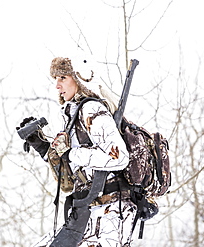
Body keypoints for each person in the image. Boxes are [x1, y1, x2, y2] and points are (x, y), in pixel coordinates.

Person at [18, 57, 137, 247]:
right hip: (87, 210)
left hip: (110, 213)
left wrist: (71, 153)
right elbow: (71, 179)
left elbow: (119, 157)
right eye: (55, 79)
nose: (57, 85)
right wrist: (42, 146)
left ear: (79, 78)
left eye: (63, 77)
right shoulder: (73, 116)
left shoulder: (91, 109)